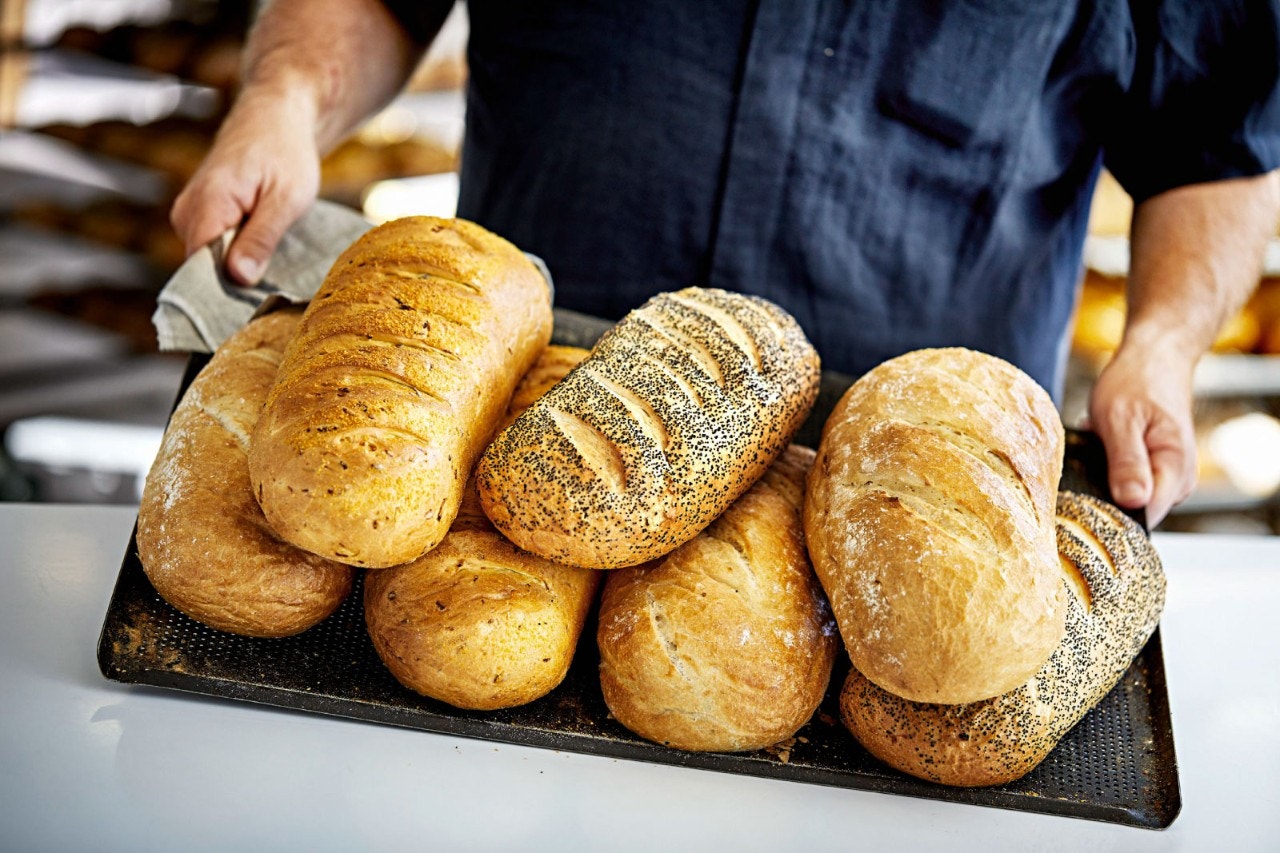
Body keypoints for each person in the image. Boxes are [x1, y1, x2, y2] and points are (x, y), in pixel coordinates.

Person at [171, 0, 1280, 527]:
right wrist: (284, 98)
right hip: (512, 431)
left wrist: (1163, 343)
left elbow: (1215, 135)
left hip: (917, 488)